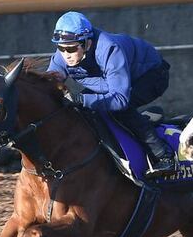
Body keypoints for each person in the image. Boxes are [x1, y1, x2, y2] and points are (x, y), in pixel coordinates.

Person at [47, 11, 176, 178]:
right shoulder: (63, 55)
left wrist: (80, 99)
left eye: (71, 48)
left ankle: (164, 156)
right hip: (108, 82)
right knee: (80, 111)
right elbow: (48, 85)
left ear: (87, 43)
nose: (66, 55)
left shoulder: (109, 49)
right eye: (60, 48)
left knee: (120, 111)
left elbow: (120, 99)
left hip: (151, 75)